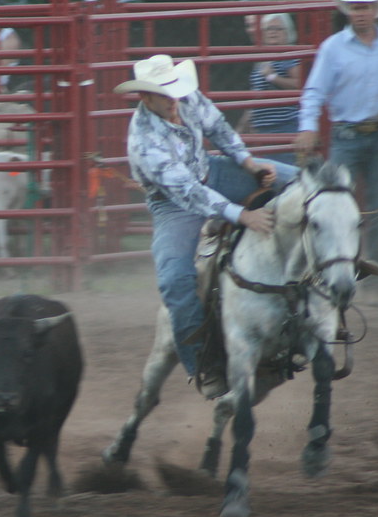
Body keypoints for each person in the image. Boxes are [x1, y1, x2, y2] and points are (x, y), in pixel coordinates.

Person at [115, 54, 297, 387]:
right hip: (173, 204)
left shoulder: (187, 96)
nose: (174, 100)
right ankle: (204, 365)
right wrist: (243, 214)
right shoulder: (143, 141)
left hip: (210, 171)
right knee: (174, 280)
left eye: (175, 91)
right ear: (145, 97)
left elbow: (218, 127)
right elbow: (188, 193)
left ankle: (328, 270)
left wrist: (247, 162)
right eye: (164, 94)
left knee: (302, 184)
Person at [295, 0, 378, 299]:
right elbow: (314, 90)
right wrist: (308, 126)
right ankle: (332, 273)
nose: (360, 13)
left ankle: (372, 279)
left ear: (375, 10)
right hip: (347, 134)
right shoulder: (333, 47)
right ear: (348, 11)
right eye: (355, 7)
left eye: (365, 7)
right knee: (333, 208)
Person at [238, 12, 302, 163]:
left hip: (284, 128)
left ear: (288, 32)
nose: (273, 32)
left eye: (278, 28)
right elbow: (256, 95)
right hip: (262, 131)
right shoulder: (263, 57)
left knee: (285, 176)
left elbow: (300, 84)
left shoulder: (288, 55)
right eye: (268, 29)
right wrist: (242, 127)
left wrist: (274, 77)